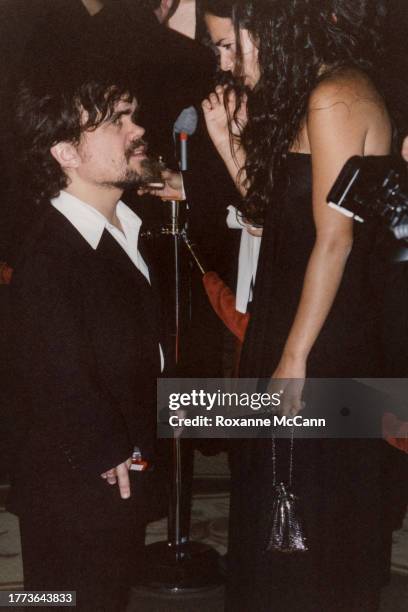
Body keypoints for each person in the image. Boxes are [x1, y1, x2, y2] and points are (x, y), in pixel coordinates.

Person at [201, 1, 403, 610]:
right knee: (278, 506)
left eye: (233, 44)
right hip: (299, 324)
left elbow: (336, 241)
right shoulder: (324, 92)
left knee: (304, 516)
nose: (227, 62)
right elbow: (284, 226)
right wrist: (229, 146)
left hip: (318, 337)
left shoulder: (335, 97)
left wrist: (293, 358)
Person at [5, 60, 164, 611]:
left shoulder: (123, 229)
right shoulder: (51, 253)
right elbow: (51, 367)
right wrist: (108, 446)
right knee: (63, 600)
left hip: (112, 473)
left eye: (132, 115)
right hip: (76, 482)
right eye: (117, 121)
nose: (137, 129)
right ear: (66, 153)